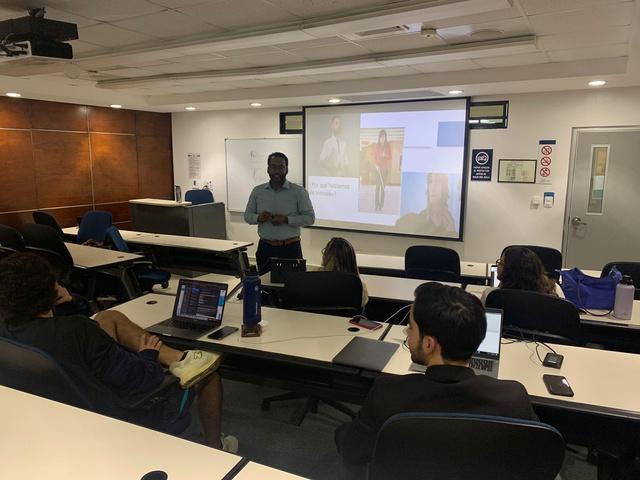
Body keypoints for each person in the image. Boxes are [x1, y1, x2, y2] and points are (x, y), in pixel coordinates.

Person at [0, 252, 237, 452]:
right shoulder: (78, 331)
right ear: (51, 290)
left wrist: (71, 302)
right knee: (209, 375)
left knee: (107, 317)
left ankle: (180, 359)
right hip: (121, 412)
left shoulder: (8, 329)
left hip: (56, 411)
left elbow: (79, 321)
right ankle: (215, 447)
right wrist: (147, 354)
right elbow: (144, 381)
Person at [335, 282, 536, 468]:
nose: (406, 333)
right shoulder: (514, 398)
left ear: (429, 344)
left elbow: (353, 453)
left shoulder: (387, 393)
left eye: (410, 327)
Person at [244, 152, 315, 274]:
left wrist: (286, 220)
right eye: (273, 167)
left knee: (293, 284)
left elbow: (310, 218)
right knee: (264, 283)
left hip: (290, 248)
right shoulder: (258, 191)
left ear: (286, 169)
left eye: (281, 167)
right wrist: (259, 217)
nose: (277, 171)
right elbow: (247, 216)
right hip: (265, 248)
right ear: (268, 169)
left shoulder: (298, 192)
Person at [481, 246, 563, 304]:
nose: (498, 266)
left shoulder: (491, 295)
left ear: (509, 271)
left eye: (501, 263)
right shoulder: (555, 290)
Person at [321, 237, 368, 308]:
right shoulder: (360, 288)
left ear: (326, 257)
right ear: (352, 261)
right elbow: (362, 305)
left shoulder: (315, 281)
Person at [373, 129, 392, 211]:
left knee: (383, 188)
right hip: (378, 170)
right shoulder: (377, 146)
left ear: (385, 137)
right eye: (381, 136)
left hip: (385, 170)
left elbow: (390, 156)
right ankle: (376, 205)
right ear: (379, 137)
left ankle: (381, 205)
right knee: (377, 187)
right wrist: (376, 165)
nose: (382, 138)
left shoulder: (388, 146)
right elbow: (374, 157)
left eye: (384, 136)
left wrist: (385, 155)